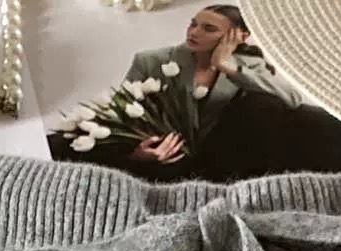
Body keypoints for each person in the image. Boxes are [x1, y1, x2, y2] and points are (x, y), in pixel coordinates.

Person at [120, 7, 306, 171]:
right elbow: (121, 112)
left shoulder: (248, 65)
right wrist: (136, 152)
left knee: (264, 103)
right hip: (165, 158)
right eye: (193, 24)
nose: (194, 32)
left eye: (209, 29)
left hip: (225, 160)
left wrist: (227, 66)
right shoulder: (150, 60)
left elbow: (292, 98)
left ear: (240, 36)